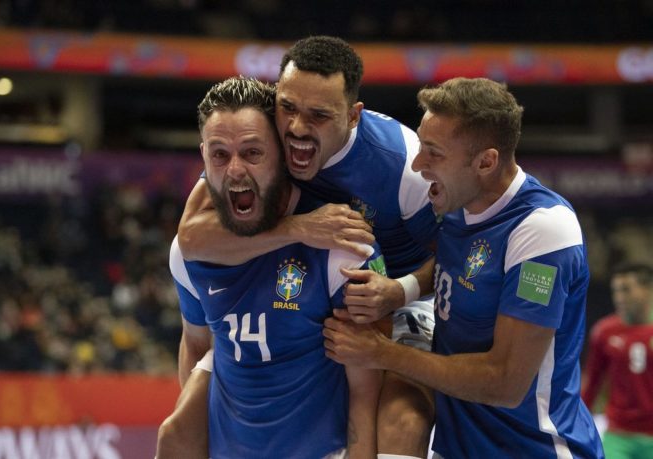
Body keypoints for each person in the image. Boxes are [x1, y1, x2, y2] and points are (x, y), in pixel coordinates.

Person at [173, 35, 439, 459]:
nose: (297, 127)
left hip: (404, 296)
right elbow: (190, 238)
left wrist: (401, 289)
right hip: (311, 291)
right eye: (289, 107)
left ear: (353, 116)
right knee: (178, 429)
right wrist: (300, 228)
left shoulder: (402, 163)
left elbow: (455, 255)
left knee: (401, 422)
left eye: (318, 115)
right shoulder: (261, 140)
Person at [323, 77, 605, 458]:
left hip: (535, 449)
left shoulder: (542, 231)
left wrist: (383, 353)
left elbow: (505, 383)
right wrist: (401, 289)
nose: (419, 164)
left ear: (486, 162)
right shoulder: (458, 206)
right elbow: (455, 264)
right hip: (461, 448)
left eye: (434, 153)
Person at [158, 76, 384, 458]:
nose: (234, 170)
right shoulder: (189, 252)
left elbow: (365, 392)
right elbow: (196, 345)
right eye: (219, 154)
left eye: (252, 153)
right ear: (202, 157)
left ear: (281, 153)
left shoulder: (340, 244)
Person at [582, 262, 653, 458]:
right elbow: (592, 383)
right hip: (619, 435)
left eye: (626, 290)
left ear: (647, 289)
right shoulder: (604, 332)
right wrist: (578, 423)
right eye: (616, 291)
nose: (619, 298)